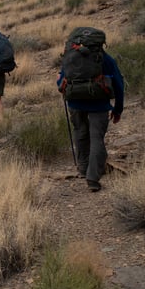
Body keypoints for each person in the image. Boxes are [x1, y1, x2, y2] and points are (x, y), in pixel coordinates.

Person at [57, 32, 125, 192]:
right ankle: (93, 178)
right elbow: (118, 85)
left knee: (80, 133)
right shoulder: (105, 59)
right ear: (100, 43)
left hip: (75, 103)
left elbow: (60, 82)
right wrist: (118, 109)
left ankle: (83, 168)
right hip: (99, 104)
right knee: (97, 139)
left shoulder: (70, 58)